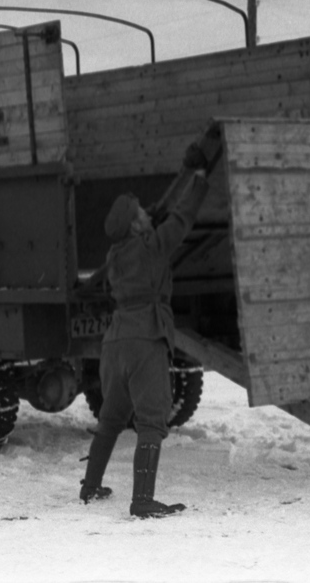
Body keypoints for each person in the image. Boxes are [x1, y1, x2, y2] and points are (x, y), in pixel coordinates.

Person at [79, 142, 211, 519]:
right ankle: (142, 500)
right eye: (140, 214)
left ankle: (90, 487)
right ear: (136, 226)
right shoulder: (152, 247)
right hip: (145, 339)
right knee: (152, 420)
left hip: (115, 342)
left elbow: (153, 215)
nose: (147, 215)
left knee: (110, 419)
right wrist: (200, 177)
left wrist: (180, 177)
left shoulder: (115, 256)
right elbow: (182, 217)